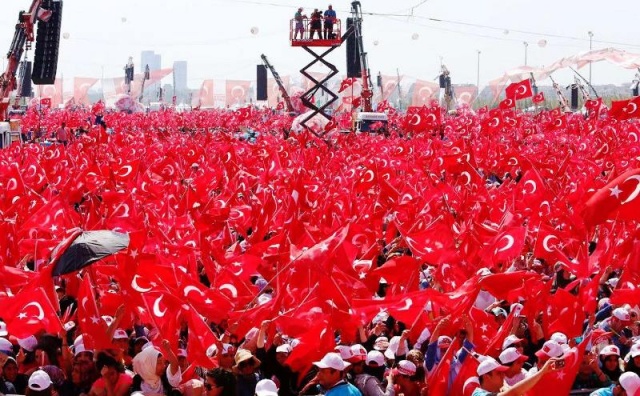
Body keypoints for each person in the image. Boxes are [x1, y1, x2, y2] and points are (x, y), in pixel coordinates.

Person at [472, 356, 562, 396]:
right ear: (486, 377)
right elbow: (513, 393)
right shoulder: (478, 394)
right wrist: (542, 372)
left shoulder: (500, 389)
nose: (503, 376)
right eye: (498, 373)